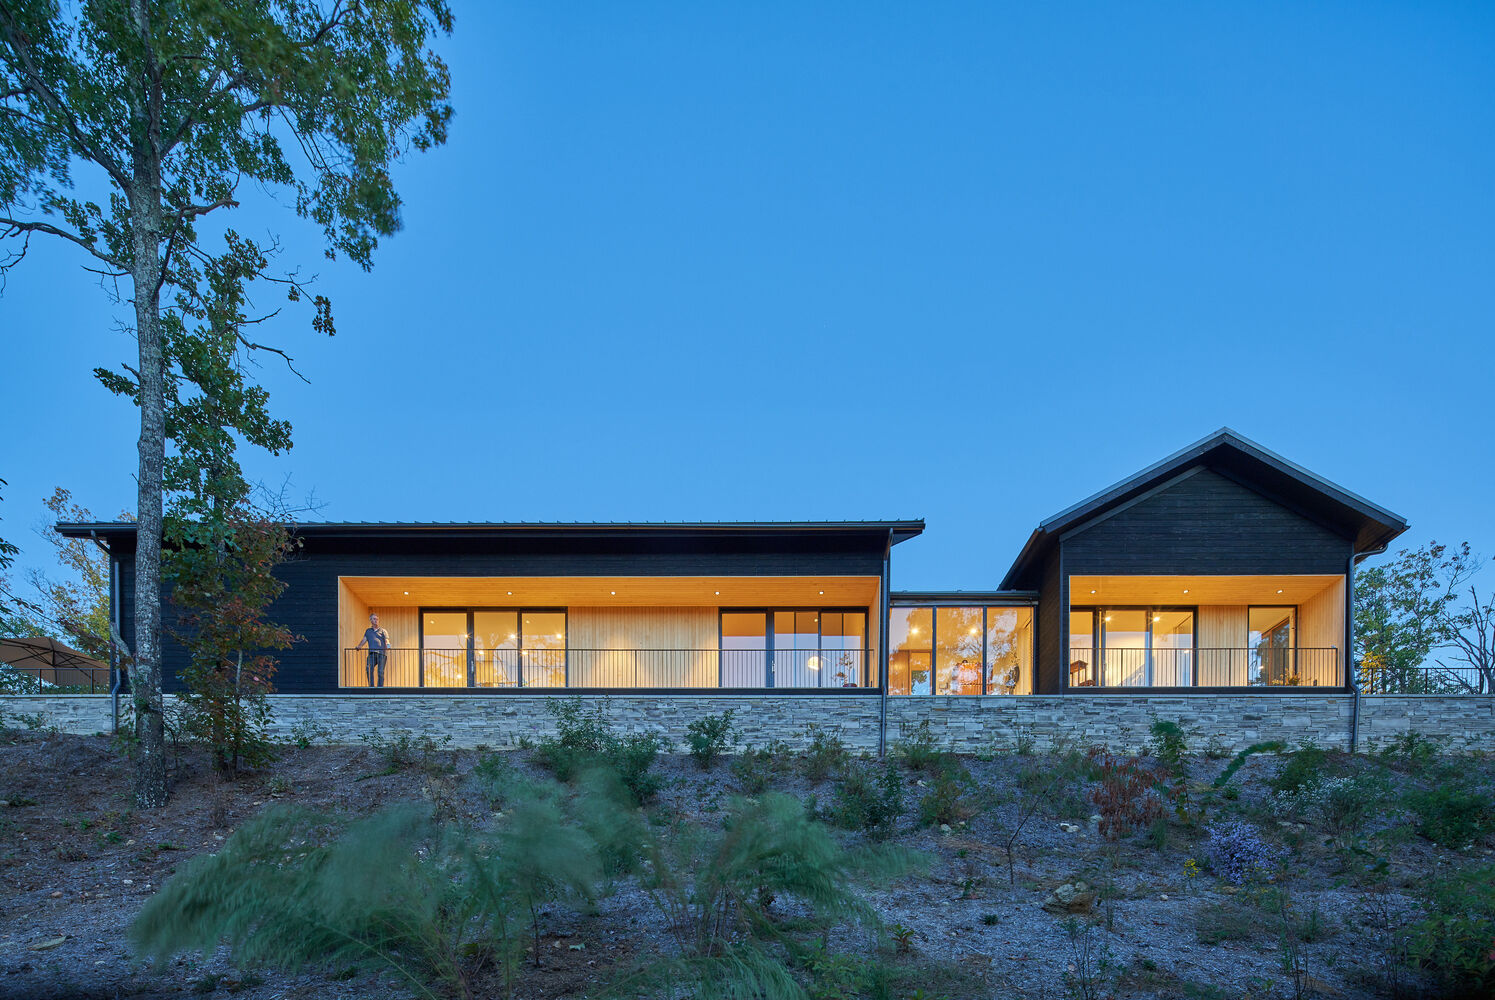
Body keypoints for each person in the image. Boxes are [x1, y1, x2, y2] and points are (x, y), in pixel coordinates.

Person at [355, 612, 391, 687]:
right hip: (372, 653)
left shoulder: (383, 630)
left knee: (380, 672)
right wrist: (359, 646)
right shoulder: (368, 631)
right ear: (371, 620)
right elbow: (364, 640)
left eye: (377, 619)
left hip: (382, 654)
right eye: (374, 619)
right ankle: (371, 687)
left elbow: (387, 640)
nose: (376, 621)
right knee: (369, 669)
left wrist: (388, 646)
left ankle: (380, 688)